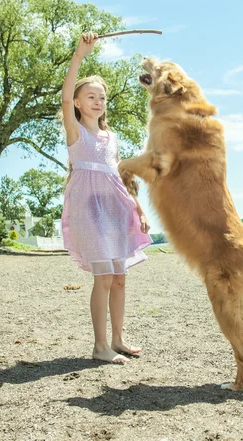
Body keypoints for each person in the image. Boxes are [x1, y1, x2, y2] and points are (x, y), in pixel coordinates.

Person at [61, 32, 152, 364]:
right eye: (90, 97)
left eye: (102, 98)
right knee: (103, 278)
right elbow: (64, 92)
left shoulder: (110, 138)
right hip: (88, 210)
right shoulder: (77, 132)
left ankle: (118, 339)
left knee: (119, 278)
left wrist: (138, 208)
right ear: (77, 103)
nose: (98, 102)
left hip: (115, 209)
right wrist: (79, 55)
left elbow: (118, 177)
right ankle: (100, 347)